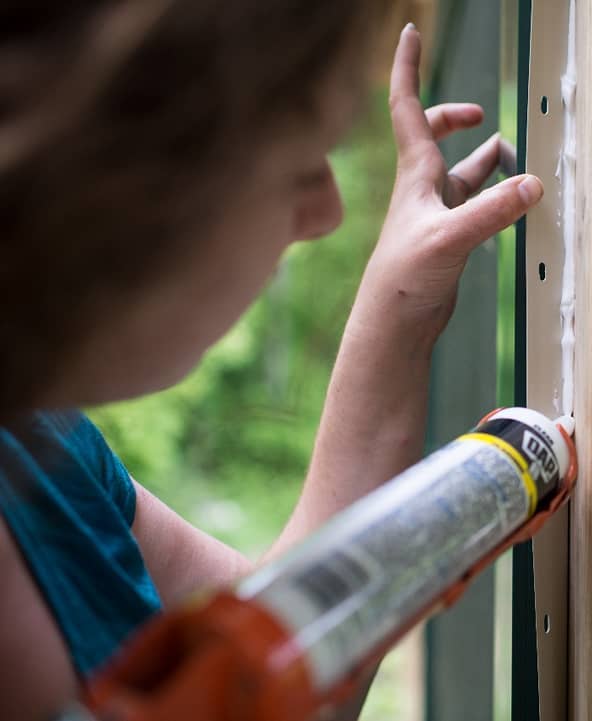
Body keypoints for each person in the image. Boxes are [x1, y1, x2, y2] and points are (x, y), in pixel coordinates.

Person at [0, 3, 543, 719]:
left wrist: (404, 299)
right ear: (134, 181)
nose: (326, 214)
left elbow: (282, 655)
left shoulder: (44, 445)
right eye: (298, 168)